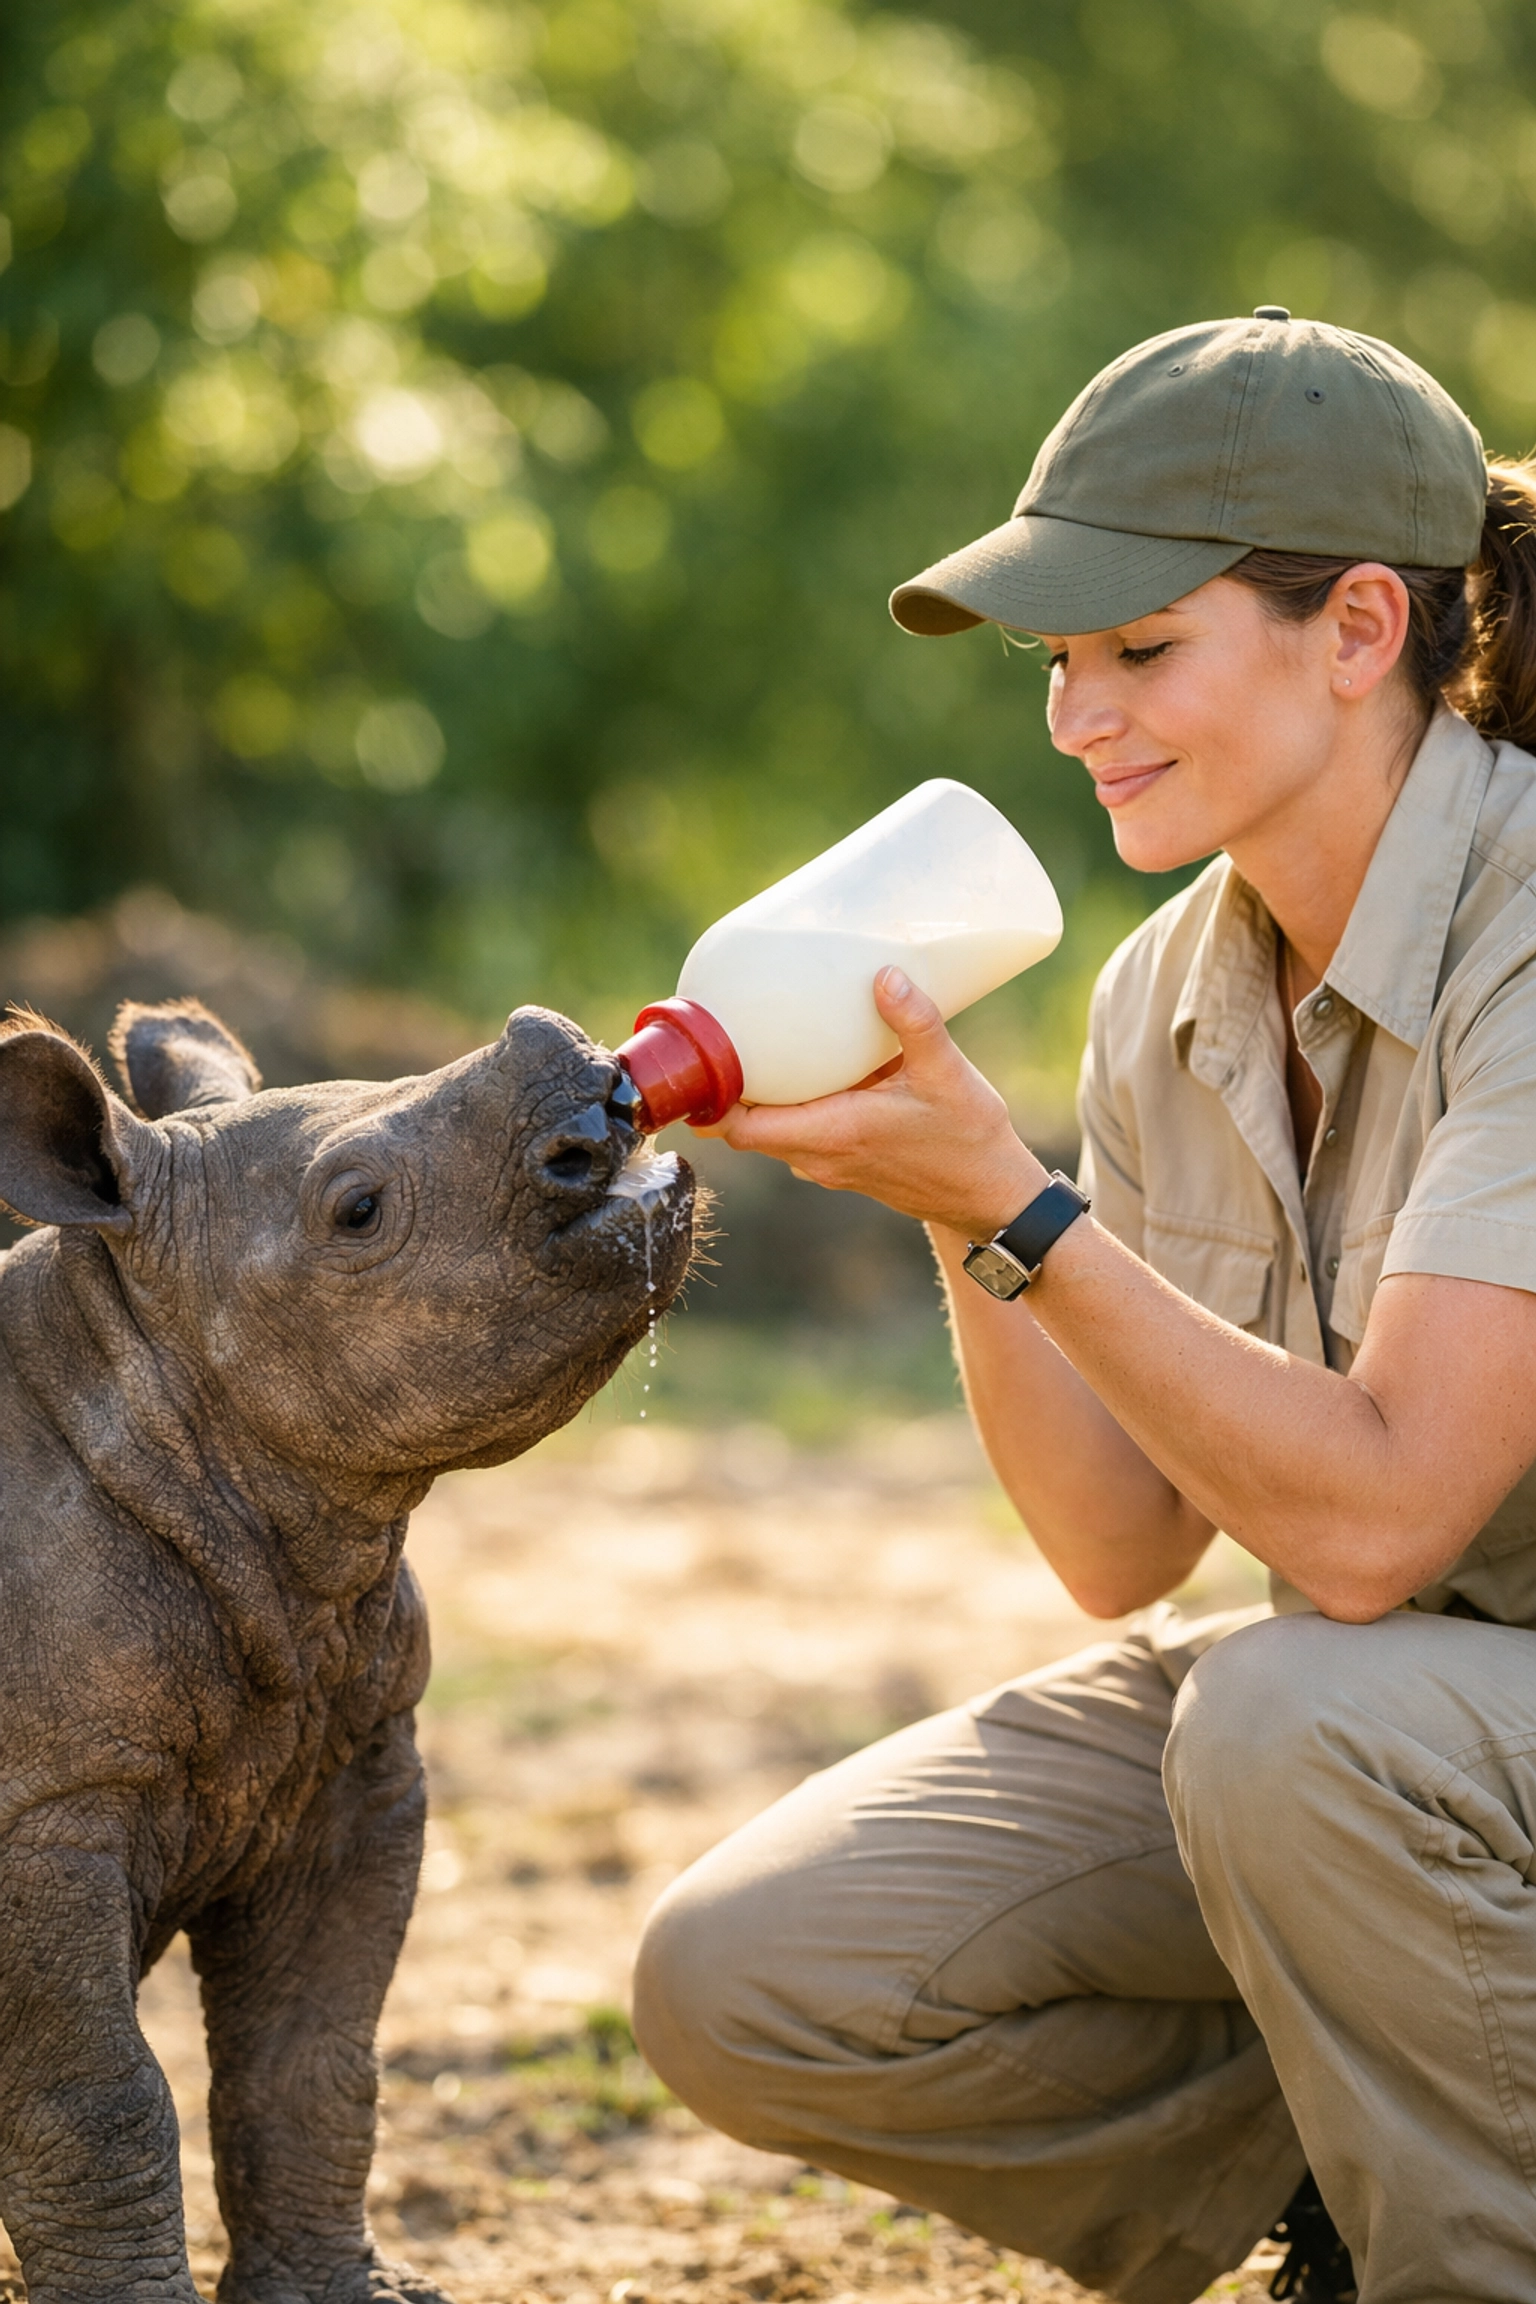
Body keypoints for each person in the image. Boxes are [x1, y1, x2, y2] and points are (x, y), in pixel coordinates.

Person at [629, 310, 1536, 2304]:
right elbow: (1121, 1551)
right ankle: (1359, 2144)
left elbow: (1378, 1530)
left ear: (1361, 631)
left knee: (1297, 1719)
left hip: (1406, 1736)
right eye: (1060, 660)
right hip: (1405, 1766)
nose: (1074, 717)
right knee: (752, 1976)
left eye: (1141, 650)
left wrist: (1020, 1208)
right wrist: (952, 1199)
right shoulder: (1168, 990)